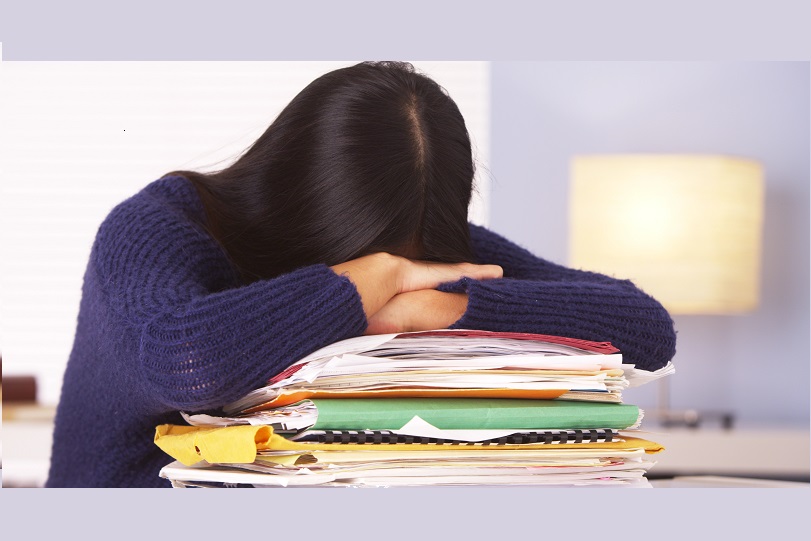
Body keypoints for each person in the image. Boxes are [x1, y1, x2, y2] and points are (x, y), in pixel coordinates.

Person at [46, 61, 676, 488]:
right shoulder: (155, 228)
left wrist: (442, 308)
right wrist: (353, 288)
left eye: (401, 263)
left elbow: (646, 328)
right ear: (294, 201)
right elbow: (181, 360)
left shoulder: (418, 252)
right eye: (374, 262)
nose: (397, 275)